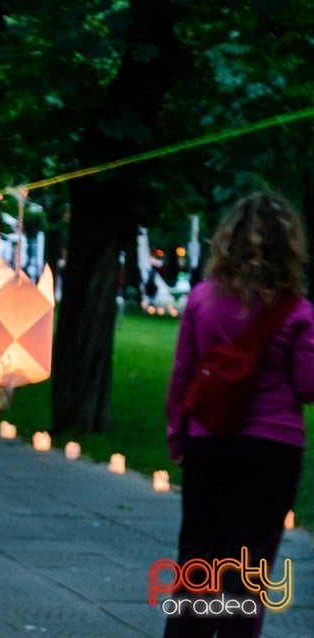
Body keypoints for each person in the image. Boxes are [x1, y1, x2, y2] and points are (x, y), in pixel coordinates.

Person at [164, 191, 314, 637]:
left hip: (208, 439)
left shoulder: (201, 300)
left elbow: (182, 376)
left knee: (198, 558)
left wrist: (179, 437)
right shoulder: (299, 312)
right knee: (247, 567)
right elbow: (307, 386)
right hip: (274, 449)